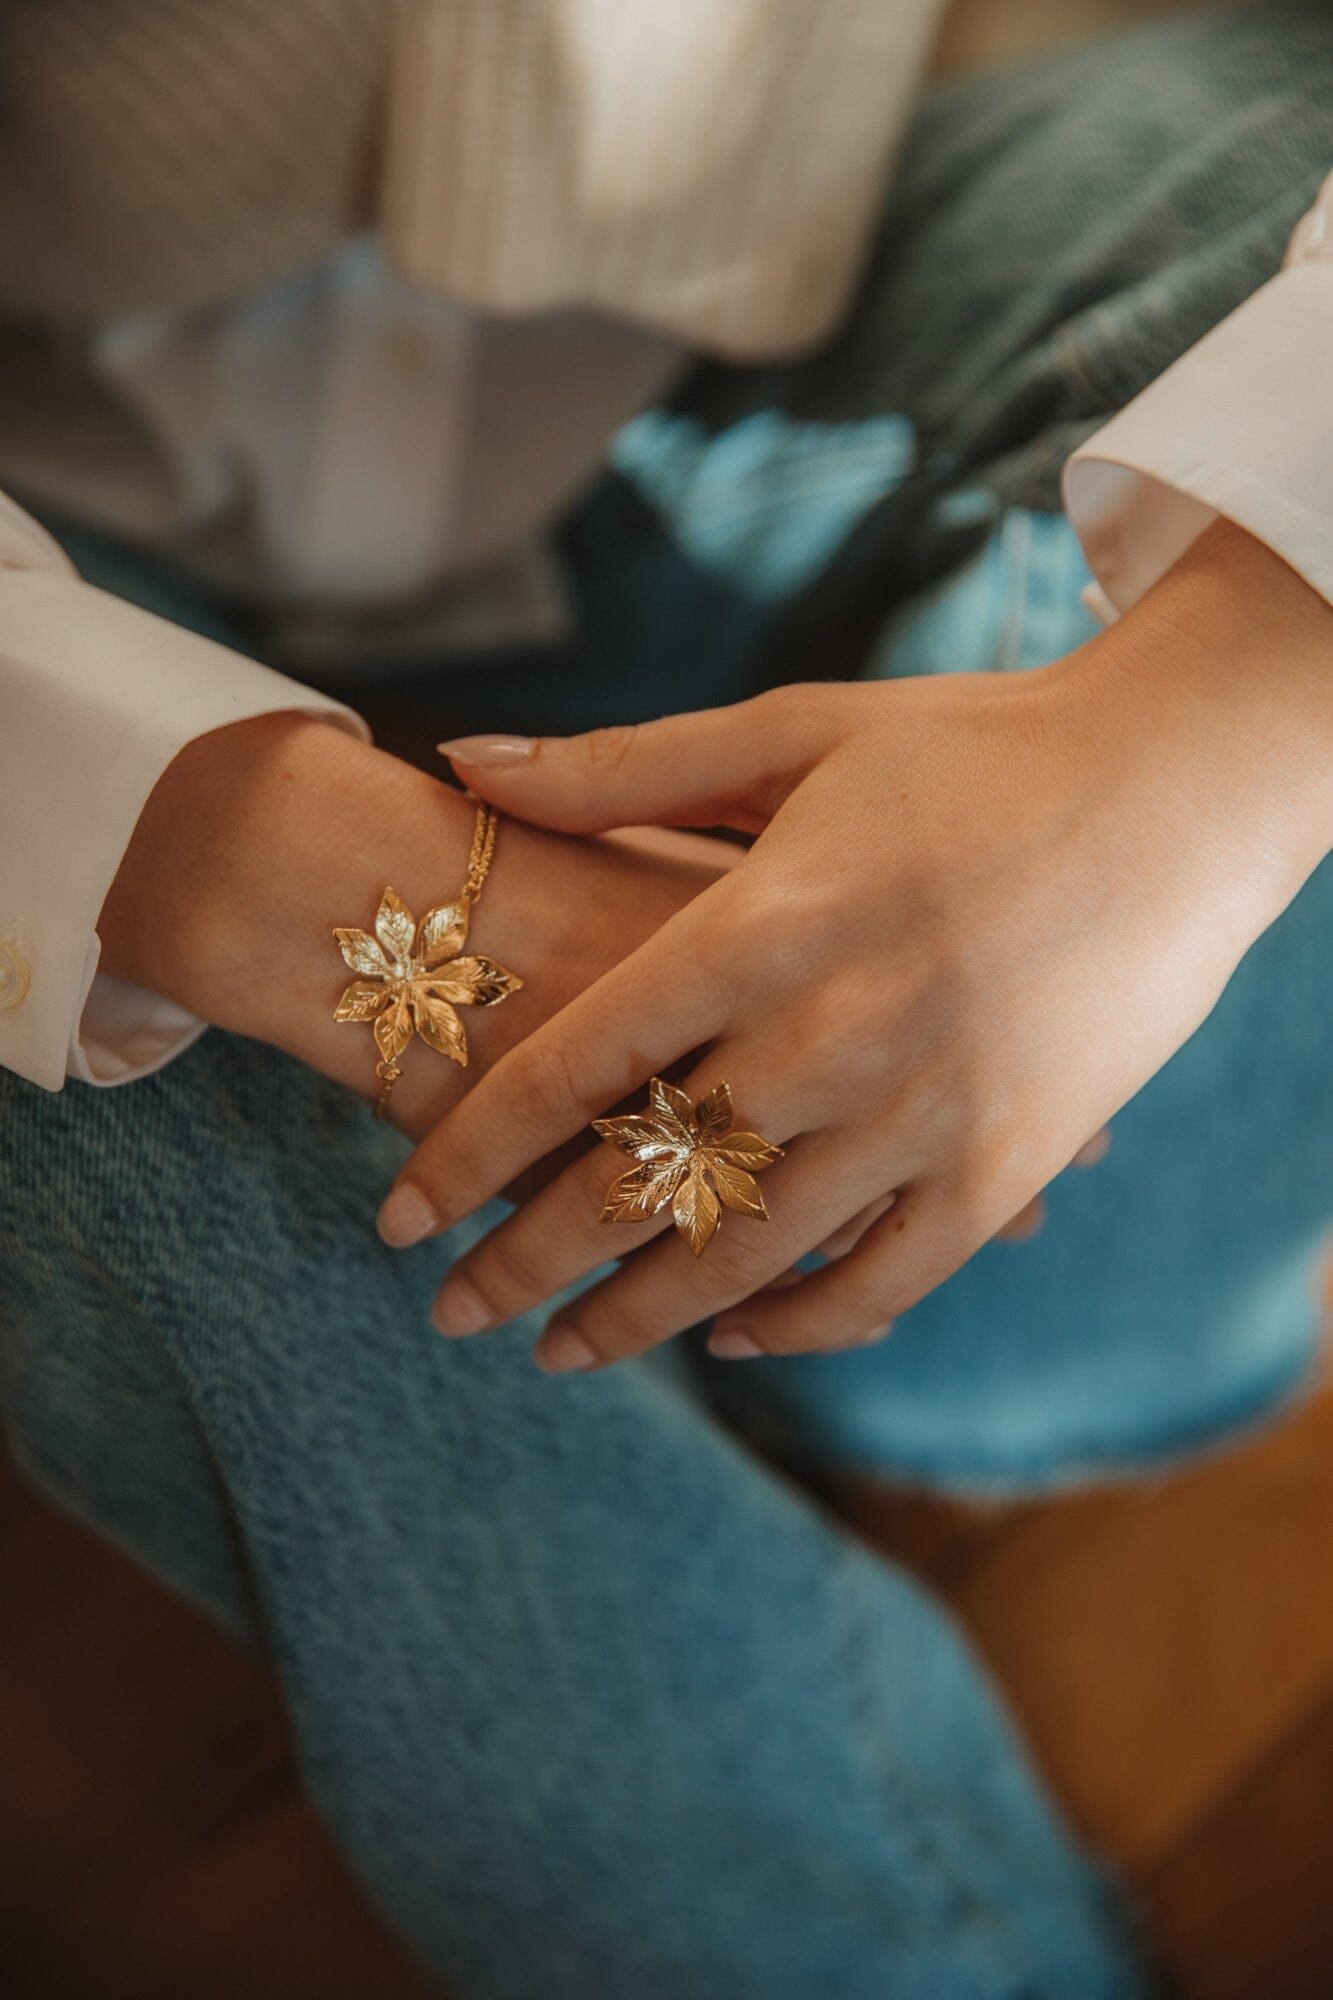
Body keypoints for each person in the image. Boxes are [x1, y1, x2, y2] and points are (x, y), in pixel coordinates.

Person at [2, 5, 1330, 1994]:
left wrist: (1215, 715)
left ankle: (984, 1305)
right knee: (53, 1002)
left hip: (742, 360)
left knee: (1253, 177)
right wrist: (220, 849)